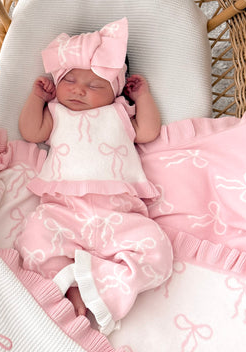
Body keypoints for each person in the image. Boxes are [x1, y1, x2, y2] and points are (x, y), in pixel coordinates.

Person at [15, 17, 173, 334]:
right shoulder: (56, 113)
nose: (79, 90)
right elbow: (31, 132)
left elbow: (148, 130)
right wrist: (37, 99)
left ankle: (99, 287)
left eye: (94, 86)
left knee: (158, 250)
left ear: (114, 92)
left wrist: (142, 98)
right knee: (33, 239)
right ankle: (69, 285)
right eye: (69, 81)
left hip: (118, 213)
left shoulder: (119, 112)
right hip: (64, 210)